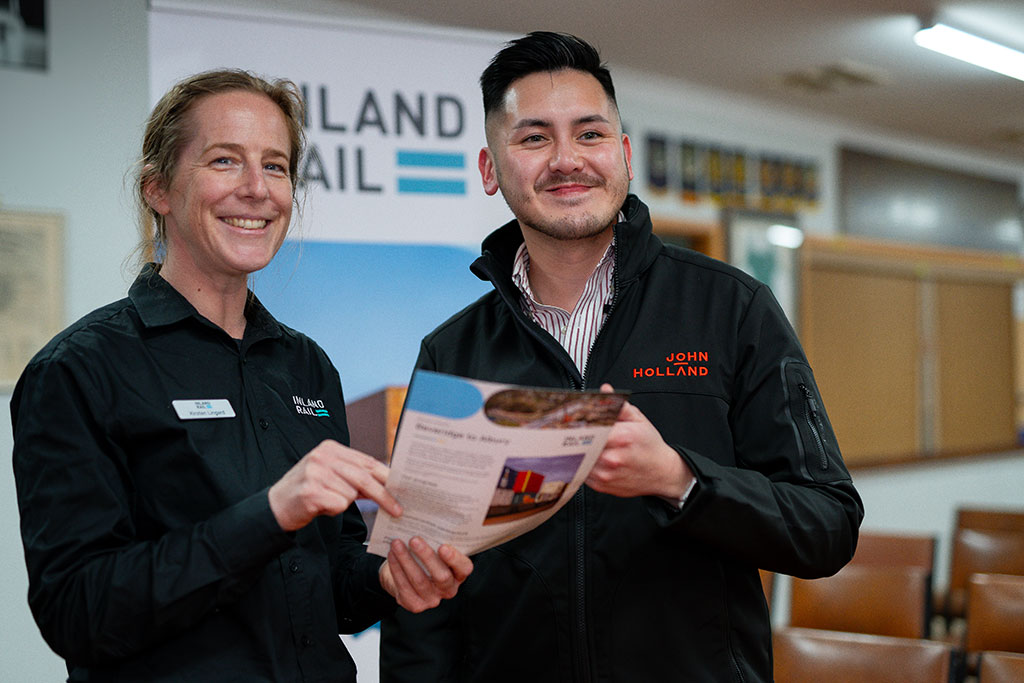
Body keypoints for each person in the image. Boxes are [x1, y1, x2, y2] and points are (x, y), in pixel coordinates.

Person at [380, 32, 863, 682]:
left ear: (624, 154)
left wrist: (679, 479)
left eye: (590, 134)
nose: (566, 159)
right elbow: (422, 588)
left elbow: (827, 526)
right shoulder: (453, 349)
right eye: (532, 138)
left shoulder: (731, 308)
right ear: (491, 169)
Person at [11, 69, 472, 682]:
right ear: (159, 189)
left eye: (276, 166)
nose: (257, 189)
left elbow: (327, 579)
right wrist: (273, 512)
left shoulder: (307, 364)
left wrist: (385, 577)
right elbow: (77, 612)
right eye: (225, 161)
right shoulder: (79, 369)